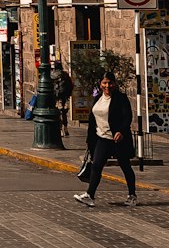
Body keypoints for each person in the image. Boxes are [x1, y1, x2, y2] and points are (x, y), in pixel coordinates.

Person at [75, 73, 137, 207]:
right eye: (104, 83)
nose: (107, 86)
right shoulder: (97, 98)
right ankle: (90, 195)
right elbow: (93, 120)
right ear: (100, 84)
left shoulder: (120, 98)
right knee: (96, 166)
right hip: (102, 138)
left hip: (117, 139)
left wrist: (121, 131)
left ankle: (132, 195)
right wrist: (90, 140)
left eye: (110, 83)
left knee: (125, 166)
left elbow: (127, 116)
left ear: (114, 84)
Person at [55, 65, 73, 137]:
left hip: (57, 97)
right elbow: (70, 86)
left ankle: (60, 130)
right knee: (64, 113)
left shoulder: (53, 75)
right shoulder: (65, 75)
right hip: (64, 97)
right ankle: (65, 129)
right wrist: (68, 95)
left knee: (58, 114)